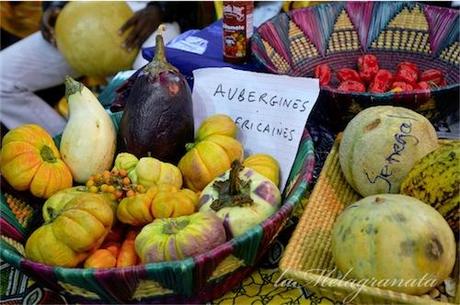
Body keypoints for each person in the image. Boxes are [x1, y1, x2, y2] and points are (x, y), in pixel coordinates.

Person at [0, 1, 214, 136]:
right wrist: (54, 7)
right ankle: (74, 142)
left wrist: (161, 8)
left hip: (151, 18)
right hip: (81, 18)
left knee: (154, 87)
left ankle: (136, 156)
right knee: (3, 76)